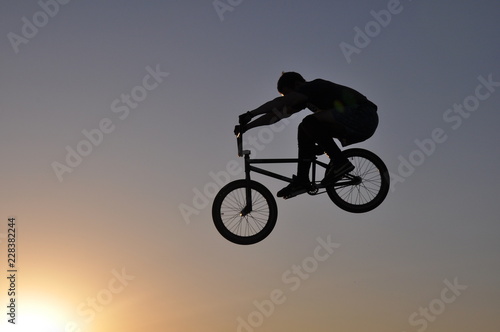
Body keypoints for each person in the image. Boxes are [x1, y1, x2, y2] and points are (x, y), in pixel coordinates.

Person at [236, 72, 378, 198]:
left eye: (289, 94)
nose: (289, 98)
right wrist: (247, 127)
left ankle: (341, 163)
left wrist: (251, 113)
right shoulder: (305, 99)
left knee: (309, 122)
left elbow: (281, 102)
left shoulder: (313, 86)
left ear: (297, 84)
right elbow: (276, 115)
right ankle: (302, 180)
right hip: (354, 122)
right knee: (304, 129)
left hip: (363, 114)